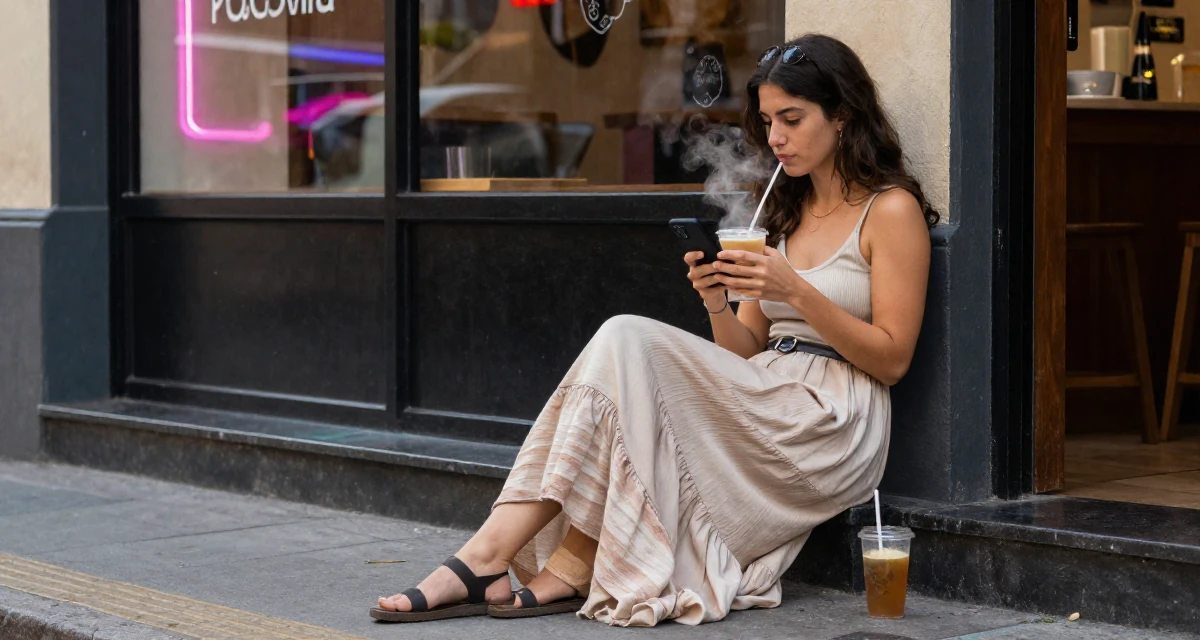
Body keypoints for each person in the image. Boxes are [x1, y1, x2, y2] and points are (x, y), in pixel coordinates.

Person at [370, 33, 937, 627]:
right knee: (628, 363)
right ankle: (528, 560)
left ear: (842, 115)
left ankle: (490, 559)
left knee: (627, 338)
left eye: (791, 119)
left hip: (833, 417)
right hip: (766, 389)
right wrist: (717, 301)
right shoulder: (780, 212)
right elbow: (744, 352)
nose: (774, 137)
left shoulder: (889, 209)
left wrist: (793, 289)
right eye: (768, 121)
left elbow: (893, 359)